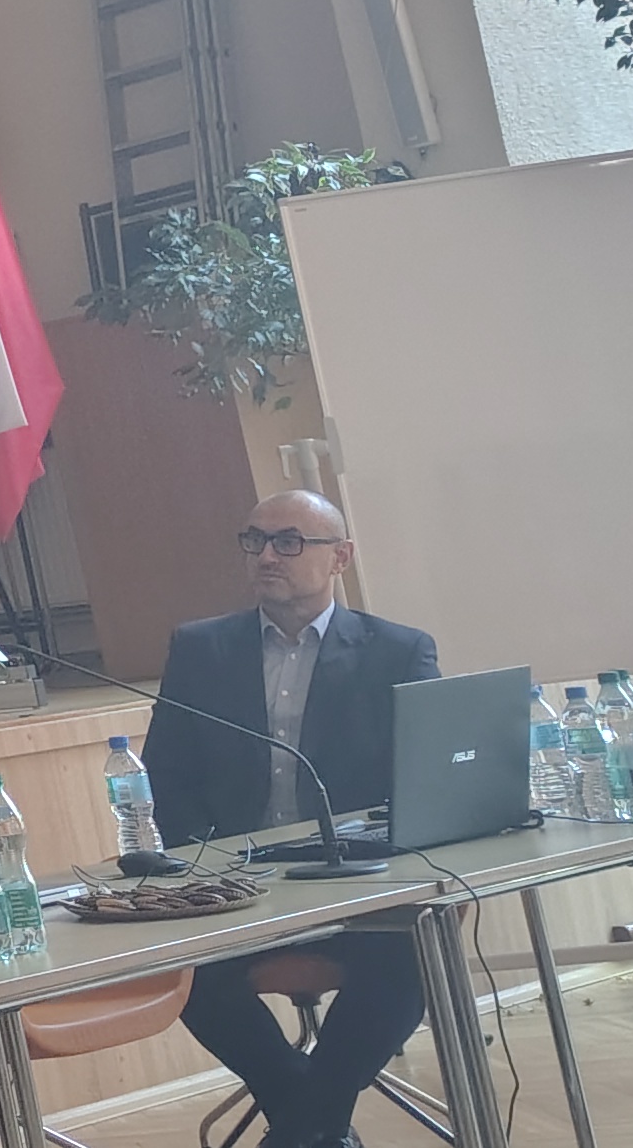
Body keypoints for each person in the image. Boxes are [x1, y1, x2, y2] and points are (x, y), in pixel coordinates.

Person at [145, 490, 442, 1148]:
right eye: (254, 541)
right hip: (238, 886)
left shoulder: (398, 652)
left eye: (288, 542)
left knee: (409, 966)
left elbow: (421, 779)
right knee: (187, 975)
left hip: (356, 883)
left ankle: (302, 1129)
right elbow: (167, 771)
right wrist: (208, 866)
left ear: (340, 557)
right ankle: (315, 1125)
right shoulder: (200, 649)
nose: (266, 557)